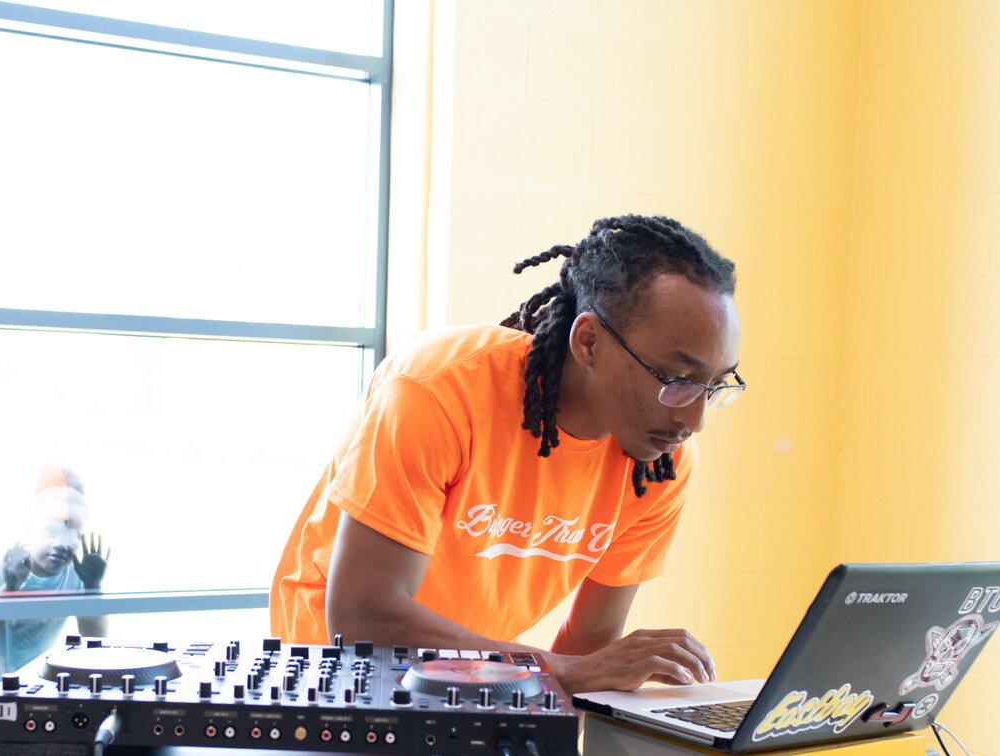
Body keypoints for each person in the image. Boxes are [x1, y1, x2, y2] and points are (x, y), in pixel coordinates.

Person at [270, 214, 744, 695]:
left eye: (715, 384)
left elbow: (588, 647)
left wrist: (562, 748)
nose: (694, 419)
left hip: (477, 675)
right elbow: (361, 614)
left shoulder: (663, 463)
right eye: (676, 379)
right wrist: (557, 671)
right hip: (334, 673)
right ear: (588, 343)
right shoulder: (437, 390)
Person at [0, 466, 110, 726]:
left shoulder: (76, 573)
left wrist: (93, 587)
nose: (62, 544)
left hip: (26, 686)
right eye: (51, 531)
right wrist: (10, 586)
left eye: (74, 535)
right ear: (31, 527)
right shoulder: (3, 560)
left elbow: (94, 639)